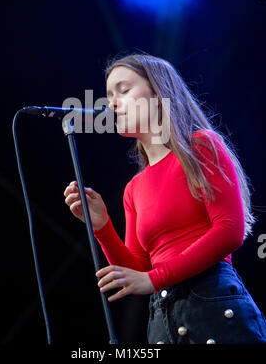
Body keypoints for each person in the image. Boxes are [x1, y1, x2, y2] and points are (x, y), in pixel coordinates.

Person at [64, 51, 266, 344]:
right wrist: (102, 226)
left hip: (213, 303)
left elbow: (229, 230)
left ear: (159, 95)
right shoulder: (133, 188)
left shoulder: (202, 146)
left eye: (124, 90)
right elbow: (138, 272)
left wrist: (154, 279)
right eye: (109, 95)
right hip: (163, 318)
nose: (111, 103)